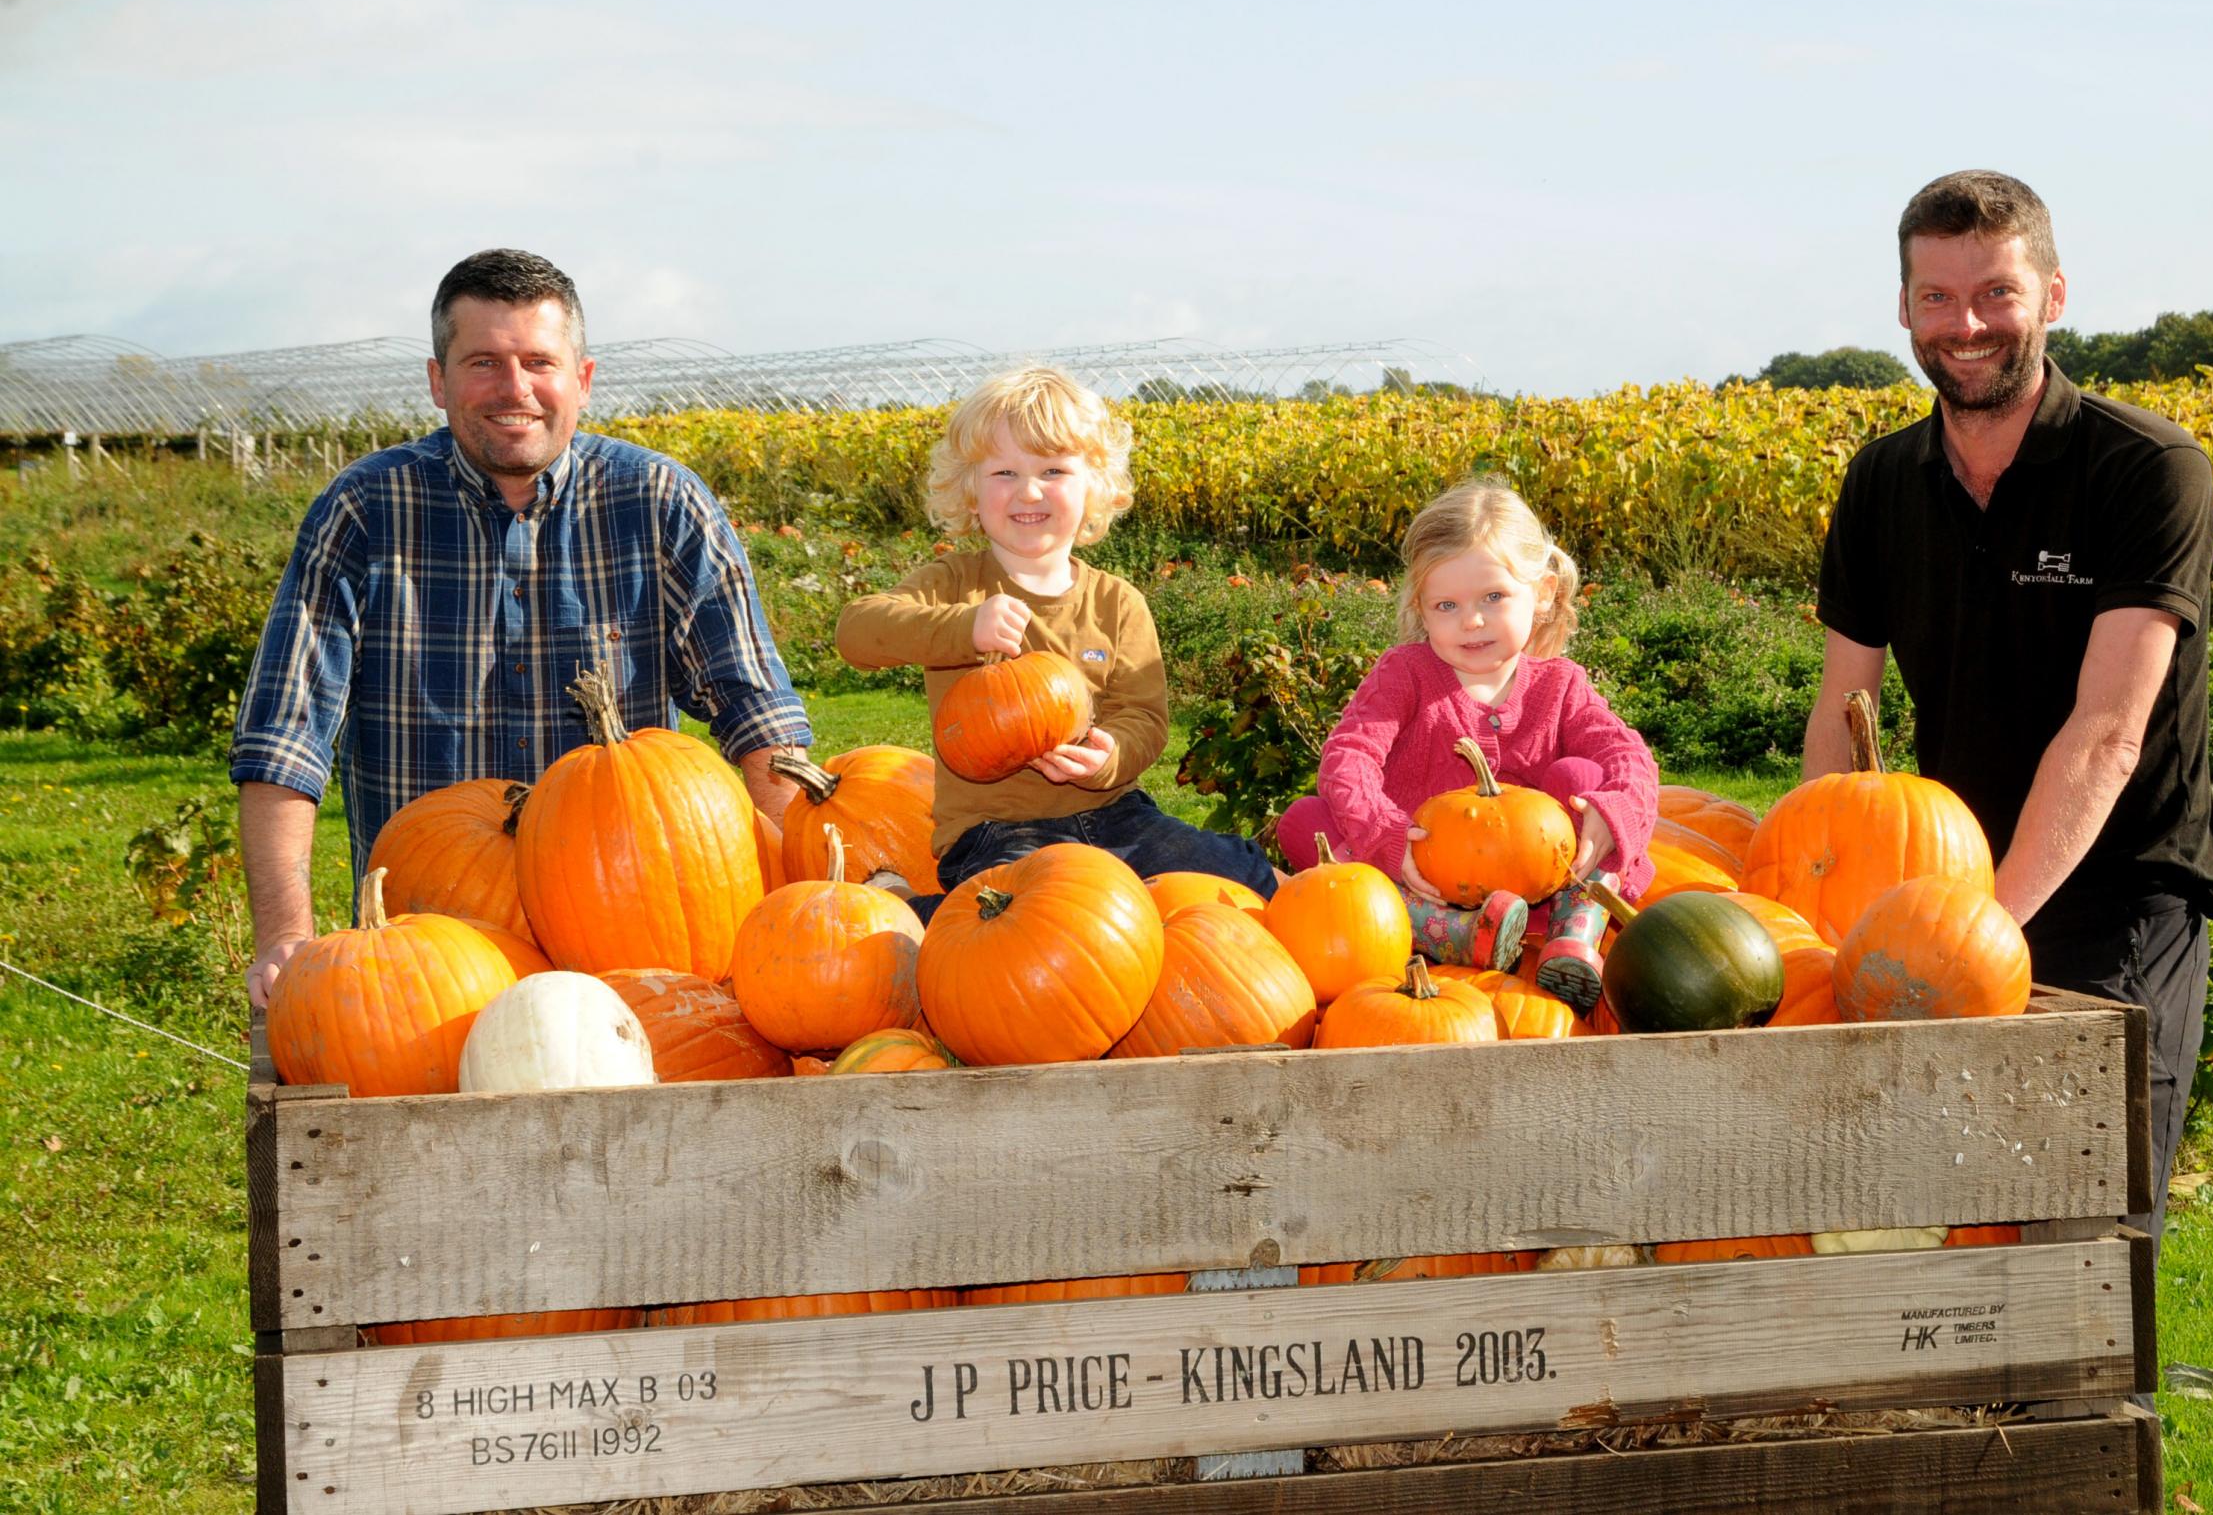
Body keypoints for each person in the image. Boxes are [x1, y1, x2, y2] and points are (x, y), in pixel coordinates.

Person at [1808, 170, 2213, 1247]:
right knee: (1951, 1204)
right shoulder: (1882, 483)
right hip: (1947, 877)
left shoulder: (2146, 470)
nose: (1968, 326)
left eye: (1996, 292)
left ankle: (2099, 1408)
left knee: (2085, 1209)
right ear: (1904, 309)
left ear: (2052, 294)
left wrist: (1976, 931)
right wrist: (1817, 899)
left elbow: (2108, 731)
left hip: (2123, 884)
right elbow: (1840, 705)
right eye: (1939, 298)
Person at [231, 249, 813, 1008]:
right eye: (483, 363)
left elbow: (756, 711)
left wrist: (801, 914)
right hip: (430, 964)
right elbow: (286, 735)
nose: (516, 390)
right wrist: (286, 935)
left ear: (583, 379)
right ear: (438, 382)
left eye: (539, 361)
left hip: (635, 952)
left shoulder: (660, 502)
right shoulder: (368, 510)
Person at [835, 365, 1277, 918]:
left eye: (1053, 470)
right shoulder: (953, 584)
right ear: (969, 491)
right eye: (1003, 472)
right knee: (1026, 925)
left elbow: (1144, 715)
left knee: (1242, 874)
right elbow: (856, 632)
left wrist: (1109, 756)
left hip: (1119, 817)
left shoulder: (1117, 602)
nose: (1030, 490)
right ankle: (902, 906)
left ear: (1093, 486)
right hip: (998, 831)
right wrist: (961, 628)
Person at [1276, 479, 1659, 1005]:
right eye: (1447, 605)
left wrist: (1612, 814)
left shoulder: (1560, 685)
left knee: (1588, 783)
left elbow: (1629, 757)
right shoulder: (1405, 674)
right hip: (1423, 876)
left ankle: (1576, 927)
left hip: (1543, 880)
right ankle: (1438, 930)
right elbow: (1349, 758)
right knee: (1305, 820)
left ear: (1542, 593)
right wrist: (1389, 839)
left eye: (1494, 597)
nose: (1472, 621)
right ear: (1421, 605)